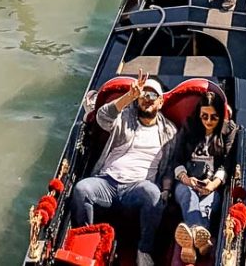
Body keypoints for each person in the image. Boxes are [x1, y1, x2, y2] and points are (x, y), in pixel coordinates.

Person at [68, 70, 175, 266]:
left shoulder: (169, 132)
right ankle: (88, 248)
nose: (148, 99)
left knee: (153, 193)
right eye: (144, 95)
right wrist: (129, 96)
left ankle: (144, 252)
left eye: (153, 96)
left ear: (161, 102)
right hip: (107, 183)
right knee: (82, 189)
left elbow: (170, 166)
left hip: (138, 188)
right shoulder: (125, 116)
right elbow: (102, 118)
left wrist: (166, 189)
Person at [166, 91, 240, 265]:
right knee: (189, 196)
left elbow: (226, 164)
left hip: (211, 185)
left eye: (213, 117)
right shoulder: (189, 127)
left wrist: (212, 185)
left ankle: (189, 247)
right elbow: (177, 159)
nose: (208, 121)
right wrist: (186, 179)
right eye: (204, 116)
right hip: (186, 183)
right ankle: (202, 242)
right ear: (199, 114)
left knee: (207, 204)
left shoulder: (229, 130)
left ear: (220, 116)